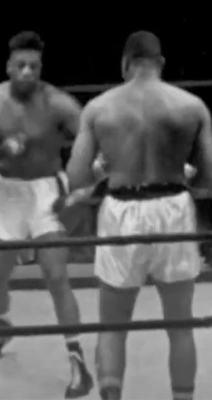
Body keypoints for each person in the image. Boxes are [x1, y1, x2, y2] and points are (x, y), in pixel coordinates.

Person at [60, 31, 212, 400]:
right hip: (173, 207)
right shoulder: (192, 106)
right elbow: (208, 180)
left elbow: (77, 178)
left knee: (112, 327)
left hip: (121, 210)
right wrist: (186, 177)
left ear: (125, 64)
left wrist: (103, 169)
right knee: (180, 327)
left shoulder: (99, 108)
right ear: (161, 63)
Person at [0, 31, 93, 398]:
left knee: (56, 276)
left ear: (40, 67)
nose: (27, 72)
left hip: (47, 193)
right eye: (20, 65)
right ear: (8, 66)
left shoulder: (60, 104)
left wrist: (81, 187)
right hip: (6, 193)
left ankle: (77, 359)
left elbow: (91, 143)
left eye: (33, 66)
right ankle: (3, 327)